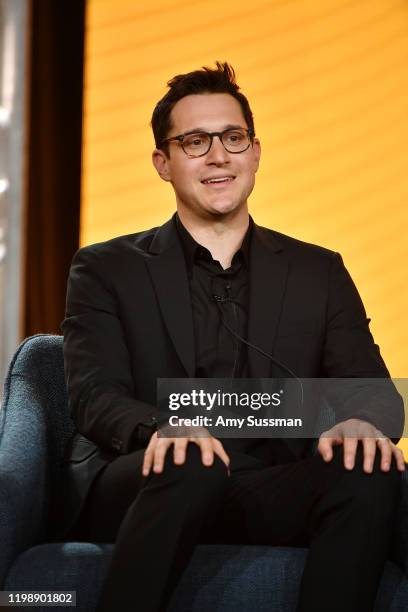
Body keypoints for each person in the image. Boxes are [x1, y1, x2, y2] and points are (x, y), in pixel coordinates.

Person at [60, 62, 405, 612]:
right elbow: (93, 396)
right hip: (153, 481)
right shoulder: (106, 268)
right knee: (189, 462)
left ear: (255, 153)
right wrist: (163, 429)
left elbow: (376, 397)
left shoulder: (318, 272)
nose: (219, 156)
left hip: (268, 484)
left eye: (233, 138)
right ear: (163, 163)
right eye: (195, 141)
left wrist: (362, 421)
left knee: (366, 470)